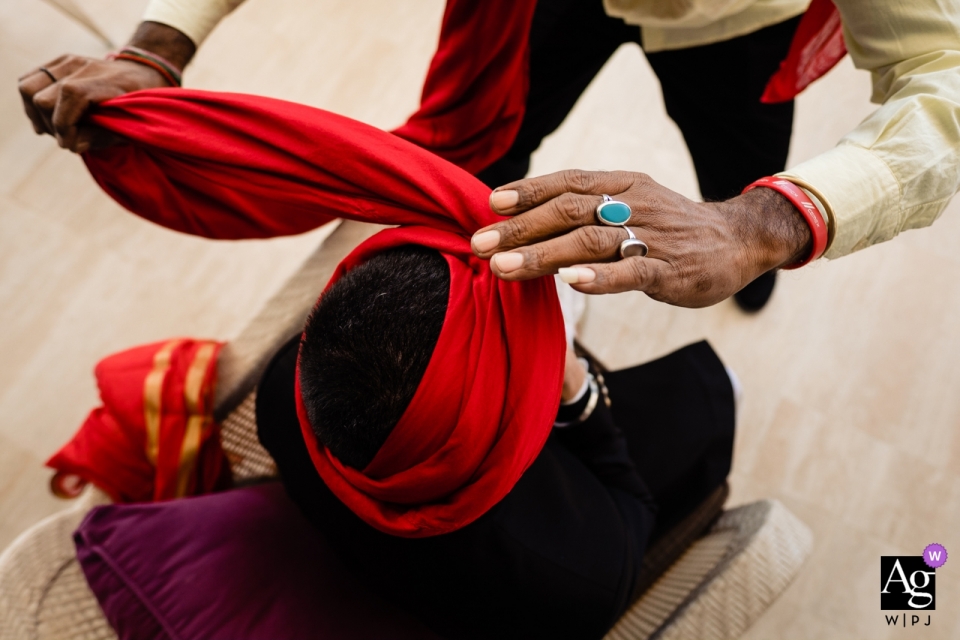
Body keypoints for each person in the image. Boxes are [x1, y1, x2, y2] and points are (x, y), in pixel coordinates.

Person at [52, 88, 736, 639]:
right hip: (510, 566)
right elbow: (633, 510)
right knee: (710, 398)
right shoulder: (578, 576)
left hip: (385, 545)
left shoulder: (283, 396)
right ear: (501, 414)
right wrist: (582, 396)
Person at [19, 1, 960, 313]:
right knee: (486, 164)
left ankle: (751, 275)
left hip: (737, 28)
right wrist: (157, 45)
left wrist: (764, 224)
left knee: (736, 177)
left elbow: (941, 67)